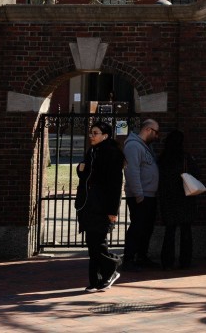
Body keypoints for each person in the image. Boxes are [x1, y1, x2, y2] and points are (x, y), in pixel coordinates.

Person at [75, 121, 125, 292]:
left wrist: (113, 210)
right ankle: (95, 280)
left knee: (98, 243)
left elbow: (115, 185)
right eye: (91, 133)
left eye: (95, 133)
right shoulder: (92, 151)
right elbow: (85, 173)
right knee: (92, 243)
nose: (91, 136)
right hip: (88, 204)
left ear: (105, 135)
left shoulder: (112, 154)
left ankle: (111, 268)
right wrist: (80, 169)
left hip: (102, 206)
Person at [157, 129, 200, 270]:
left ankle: (167, 261)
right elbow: (196, 173)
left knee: (170, 230)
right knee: (186, 230)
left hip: (168, 198)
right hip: (185, 197)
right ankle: (185, 260)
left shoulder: (163, 159)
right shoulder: (186, 158)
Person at [123, 118, 161, 270]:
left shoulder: (145, 147)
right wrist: (139, 194)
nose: (157, 136)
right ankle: (129, 259)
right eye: (156, 132)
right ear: (147, 130)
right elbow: (132, 171)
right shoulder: (133, 146)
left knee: (146, 228)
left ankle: (142, 256)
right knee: (137, 228)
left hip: (149, 194)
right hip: (140, 195)